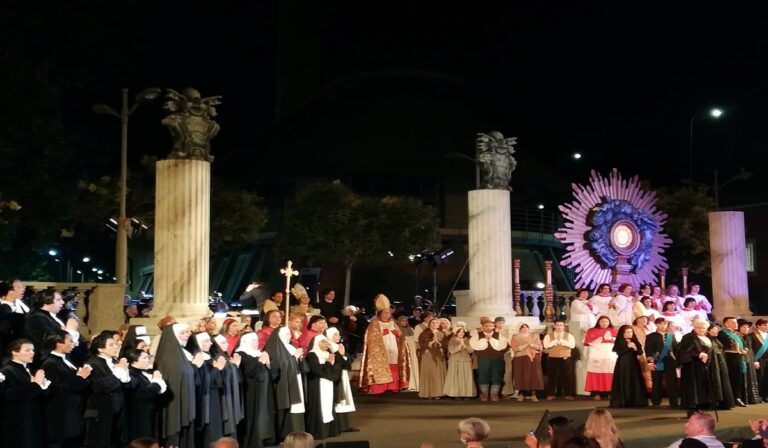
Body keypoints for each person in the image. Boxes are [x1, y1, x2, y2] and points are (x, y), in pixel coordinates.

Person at [155, 323, 203, 448]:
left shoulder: (183, 353)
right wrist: (195, 366)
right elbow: (176, 376)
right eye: (183, 333)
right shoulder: (168, 356)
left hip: (185, 399)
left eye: (188, 332)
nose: (187, 335)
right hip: (174, 401)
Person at [42, 330, 92, 448]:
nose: (74, 343)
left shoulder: (66, 359)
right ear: (59, 343)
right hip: (61, 413)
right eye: (70, 341)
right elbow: (57, 388)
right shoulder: (50, 363)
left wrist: (83, 377)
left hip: (72, 409)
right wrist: (80, 378)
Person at [82, 331, 131, 448]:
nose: (116, 346)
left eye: (116, 344)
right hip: (102, 409)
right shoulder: (92, 363)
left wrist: (125, 374)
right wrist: (118, 372)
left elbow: (127, 384)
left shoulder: (115, 361)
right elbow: (99, 387)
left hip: (118, 407)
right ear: (100, 349)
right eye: (111, 345)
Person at [0, 338, 50, 448]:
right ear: (14, 352)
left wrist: (43, 386)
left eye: (32, 350)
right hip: (18, 420)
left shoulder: (28, 368)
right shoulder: (7, 370)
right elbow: (8, 395)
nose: (32, 353)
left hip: (32, 417)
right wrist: (36, 385)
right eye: (27, 350)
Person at [359, 294, 410, 394]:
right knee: (382, 365)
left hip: (393, 347)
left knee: (393, 365)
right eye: (385, 313)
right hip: (381, 348)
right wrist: (382, 333)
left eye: (388, 313)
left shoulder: (393, 322)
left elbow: (400, 335)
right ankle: (379, 387)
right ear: (380, 313)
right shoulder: (374, 322)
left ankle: (392, 386)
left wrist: (397, 334)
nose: (387, 315)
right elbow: (371, 336)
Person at [263, 326, 306, 438]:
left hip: (295, 380)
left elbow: (298, 366)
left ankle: (298, 433)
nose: (289, 336)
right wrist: (293, 358)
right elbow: (280, 366)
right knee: (284, 409)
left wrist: (300, 359)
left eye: (289, 334)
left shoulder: (291, 347)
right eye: (286, 334)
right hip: (283, 383)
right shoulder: (274, 348)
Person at [237, 332, 277, 448]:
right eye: (254, 341)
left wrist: (269, 363)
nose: (257, 343)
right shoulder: (241, 354)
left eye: (257, 340)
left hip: (265, 389)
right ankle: (254, 440)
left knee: (265, 412)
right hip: (251, 391)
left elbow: (274, 373)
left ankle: (266, 437)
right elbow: (248, 372)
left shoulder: (260, 353)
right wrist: (260, 363)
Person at [124, 347, 167, 442]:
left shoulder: (141, 374)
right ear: (134, 362)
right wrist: (156, 382)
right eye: (144, 358)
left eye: (148, 357)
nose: (148, 360)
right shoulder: (131, 375)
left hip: (147, 415)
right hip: (138, 418)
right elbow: (142, 394)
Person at [305, 334, 339, 440]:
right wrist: (328, 363)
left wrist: (330, 370)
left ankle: (329, 430)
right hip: (317, 385)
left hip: (328, 384)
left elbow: (335, 369)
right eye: (323, 342)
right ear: (316, 343)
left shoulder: (328, 354)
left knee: (328, 406)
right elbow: (316, 371)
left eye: (326, 342)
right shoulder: (312, 355)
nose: (326, 344)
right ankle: (319, 432)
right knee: (319, 407)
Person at [210, 335, 244, 439]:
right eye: (223, 343)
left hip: (231, 395)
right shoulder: (216, 358)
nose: (227, 344)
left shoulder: (226, 356)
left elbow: (237, 379)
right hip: (224, 397)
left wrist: (236, 366)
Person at [325, 327, 357, 433]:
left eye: (339, 334)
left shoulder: (339, 346)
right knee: (338, 399)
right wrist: (341, 355)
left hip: (343, 376)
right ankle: (338, 426)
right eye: (335, 334)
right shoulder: (328, 348)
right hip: (335, 377)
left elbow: (347, 365)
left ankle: (344, 425)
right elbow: (338, 363)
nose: (338, 336)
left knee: (343, 399)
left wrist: (343, 355)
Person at [679, 320, 715, 412]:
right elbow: (685, 351)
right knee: (693, 387)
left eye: (703, 328)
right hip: (692, 366)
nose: (701, 330)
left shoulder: (708, 337)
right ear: (694, 327)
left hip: (704, 365)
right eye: (698, 328)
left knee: (701, 386)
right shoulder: (688, 337)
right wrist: (698, 355)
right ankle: (692, 408)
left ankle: (700, 405)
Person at [470, 316, 508, 401]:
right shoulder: (477, 335)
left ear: (493, 326)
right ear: (483, 326)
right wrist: (484, 340)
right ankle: (484, 394)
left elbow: (504, 346)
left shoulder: (498, 335)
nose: (488, 327)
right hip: (483, 359)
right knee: (483, 376)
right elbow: (474, 346)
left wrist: (492, 339)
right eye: (486, 326)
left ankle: (494, 395)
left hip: (497, 359)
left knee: (496, 376)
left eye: (490, 326)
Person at [24, 288, 66, 366]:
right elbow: (49, 340)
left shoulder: (54, 316)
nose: (63, 302)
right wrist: (69, 331)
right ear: (46, 302)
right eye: (58, 300)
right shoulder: (36, 318)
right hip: (46, 362)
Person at [646, 317, 680, 408]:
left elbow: (676, 348)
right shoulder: (651, 336)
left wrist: (678, 361)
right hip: (658, 360)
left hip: (670, 361)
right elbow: (648, 349)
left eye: (665, 324)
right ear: (656, 324)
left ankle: (674, 402)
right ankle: (656, 402)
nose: (663, 326)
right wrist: (650, 362)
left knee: (672, 381)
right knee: (657, 381)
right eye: (660, 324)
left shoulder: (670, 335)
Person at [610, 325, 647, 407]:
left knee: (635, 381)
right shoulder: (620, 341)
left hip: (634, 364)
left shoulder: (635, 341)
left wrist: (635, 348)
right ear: (623, 333)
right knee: (624, 380)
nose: (630, 334)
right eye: (627, 332)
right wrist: (629, 347)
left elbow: (640, 352)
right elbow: (619, 352)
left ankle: (635, 401)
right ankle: (623, 401)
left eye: (631, 332)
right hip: (623, 364)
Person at [583, 315, 617, 400]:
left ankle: (610, 392)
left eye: (606, 321)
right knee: (595, 373)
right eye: (602, 321)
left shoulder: (614, 330)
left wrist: (611, 338)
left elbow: (618, 341)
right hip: (596, 355)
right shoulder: (591, 330)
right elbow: (587, 341)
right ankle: (595, 393)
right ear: (598, 322)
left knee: (610, 373)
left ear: (609, 322)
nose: (604, 323)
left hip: (610, 356)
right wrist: (602, 338)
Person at [719, 316, 749, 407]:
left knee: (738, 379)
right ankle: (732, 399)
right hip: (729, 359)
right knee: (732, 379)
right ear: (726, 324)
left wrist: (745, 349)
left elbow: (744, 344)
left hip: (739, 359)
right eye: (733, 322)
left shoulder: (737, 334)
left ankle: (738, 397)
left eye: (736, 322)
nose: (736, 324)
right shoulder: (722, 334)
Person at [510, 323, 544, 402]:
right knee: (521, 375)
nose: (525, 329)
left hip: (533, 358)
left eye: (526, 328)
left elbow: (539, 347)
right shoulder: (515, 337)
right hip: (521, 358)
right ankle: (521, 394)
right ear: (520, 329)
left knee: (534, 376)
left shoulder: (534, 336)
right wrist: (526, 345)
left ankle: (533, 394)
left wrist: (531, 345)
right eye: (523, 328)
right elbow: (515, 348)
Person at [543, 320, 576, 400]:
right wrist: (554, 341)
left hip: (565, 358)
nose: (559, 327)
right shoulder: (548, 335)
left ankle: (568, 394)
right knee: (551, 377)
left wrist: (562, 341)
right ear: (554, 326)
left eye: (561, 325)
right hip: (552, 357)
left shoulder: (569, 336)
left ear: (564, 326)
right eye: (557, 325)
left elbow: (572, 345)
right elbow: (546, 345)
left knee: (567, 377)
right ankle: (551, 394)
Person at [706, 324, 736, 410]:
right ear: (708, 331)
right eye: (714, 330)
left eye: (716, 330)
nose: (716, 331)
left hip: (721, 363)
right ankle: (714, 402)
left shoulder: (716, 339)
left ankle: (723, 402)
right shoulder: (708, 340)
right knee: (716, 383)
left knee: (723, 382)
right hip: (714, 364)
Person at [444, 323, 476, 399]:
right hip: (455, 361)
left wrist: (465, 346)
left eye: (463, 332)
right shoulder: (452, 339)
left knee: (466, 377)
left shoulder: (467, 340)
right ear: (456, 332)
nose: (461, 333)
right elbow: (451, 350)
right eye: (460, 332)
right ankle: (456, 394)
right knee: (456, 377)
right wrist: (459, 346)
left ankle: (466, 393)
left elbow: (471, 350)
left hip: (465, 360)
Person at [418, 316, 447, 399]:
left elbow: (445, 344)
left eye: (436, 323)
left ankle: (438, 393)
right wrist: (430, 343)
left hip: (439, 354)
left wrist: (440, 344)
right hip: (428, 355)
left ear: (438, 324)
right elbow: (421, 343)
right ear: (429, 324)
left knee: (438, 374)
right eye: (433, 323)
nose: (435, 324)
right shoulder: (424, 333)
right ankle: (428, 393)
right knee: (429, 373)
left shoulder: (442, 333)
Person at [738, 319, 763, 404]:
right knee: (747, 378)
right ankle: (747, 398)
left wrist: (755, 360)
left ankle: (753, 398)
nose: (746, 329)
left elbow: (752, 349)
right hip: (745, 359)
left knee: (752, 378)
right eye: (744, 327)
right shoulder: (738, 337)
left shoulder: (747, 336)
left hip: (751, 358)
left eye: (747, 327)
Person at [396, 313, 420, 391]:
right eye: (402, 321)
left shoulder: (411, 329)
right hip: (401, 352)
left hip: (411, 351)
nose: (405, 322)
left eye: (406, 321)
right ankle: (403, 383)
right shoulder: (397, 330)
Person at [748, 318, 768, 401]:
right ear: (758, 326)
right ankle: (760, 396)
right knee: (760, 377)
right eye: (764, 325)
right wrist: (754, 360)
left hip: (767, 359)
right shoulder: (751, 335)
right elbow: (751, 349)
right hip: (758, 359)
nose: (767, 327)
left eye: (767, 325)